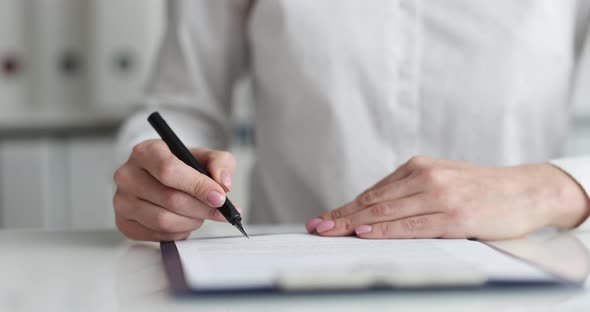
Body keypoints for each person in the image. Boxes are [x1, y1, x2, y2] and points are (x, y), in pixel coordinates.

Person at [113, 1, 590, 242]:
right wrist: (162, 178)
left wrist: (552, 189)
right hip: (289, 284)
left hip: (530, 287)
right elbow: (180, 106)